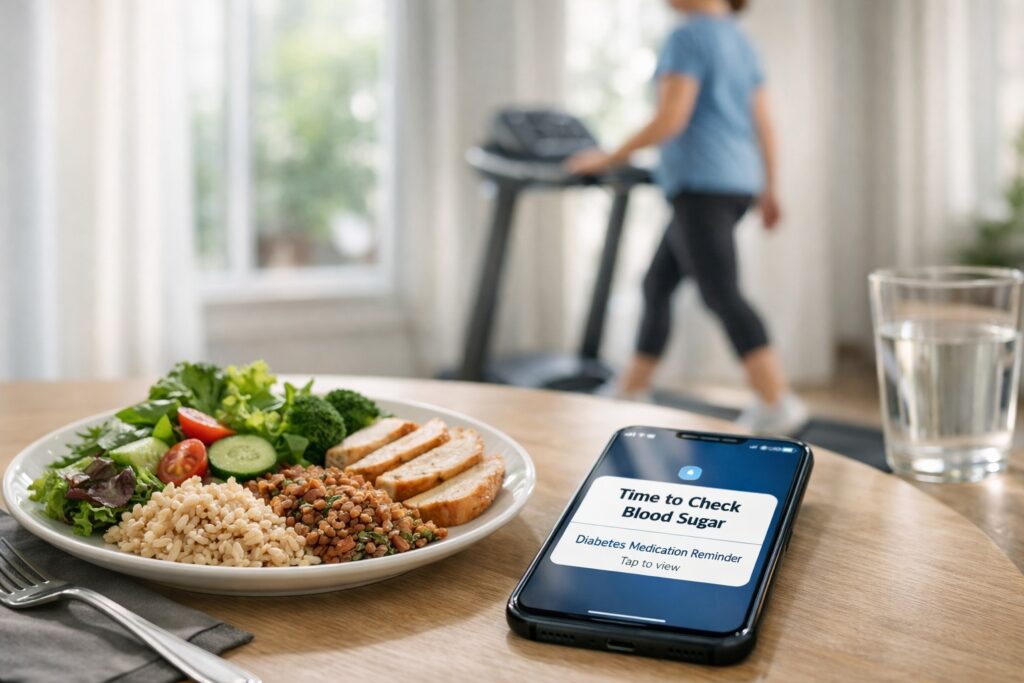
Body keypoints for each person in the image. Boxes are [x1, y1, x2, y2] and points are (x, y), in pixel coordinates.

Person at [566, 0, 807, 435]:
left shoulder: (687, 36)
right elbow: (764, 123)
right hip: (736, 183)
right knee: (657, 283)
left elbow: (671, 118)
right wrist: (771, 187)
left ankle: (777, 401)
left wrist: (608, 158)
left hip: (701, 185)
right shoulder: (741, 40)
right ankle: (632, 390)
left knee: (720, 292)